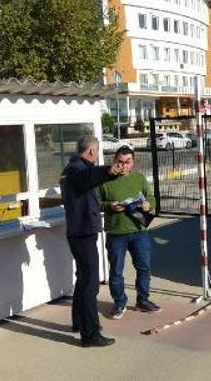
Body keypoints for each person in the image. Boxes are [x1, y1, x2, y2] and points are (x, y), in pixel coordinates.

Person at [60, 135, 123, 348]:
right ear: (91, 152)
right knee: (90, 284)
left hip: (80, 232)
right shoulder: (76, 169)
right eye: (97, 152)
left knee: (83, 279)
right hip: (82, 233)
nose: (97, 156)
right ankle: (90, 334)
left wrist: (109, 174)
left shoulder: (75, 168)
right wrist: (107, 170)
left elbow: (91, 178)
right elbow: (87, 177)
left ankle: (79, 322)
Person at [99, 146, 160, 319]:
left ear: (133, 163)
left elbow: (151, 199)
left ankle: (143, 300)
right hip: (116, 233)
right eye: (120, 162)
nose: (124, 166)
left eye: (128, 162)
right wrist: (109, 206)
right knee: (116, 271)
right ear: (114, 161)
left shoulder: (139, 179)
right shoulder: (105, 181)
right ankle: (119, 303)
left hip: (139, 231)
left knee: (144, 268)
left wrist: (148, 204)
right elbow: (96, 203)